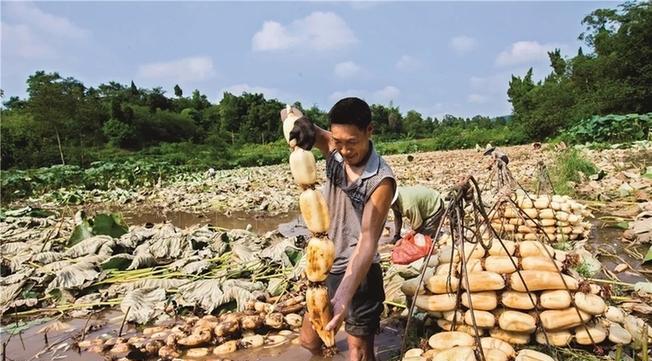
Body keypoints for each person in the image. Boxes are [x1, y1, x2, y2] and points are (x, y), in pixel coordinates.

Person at [283, 97, 396, 361]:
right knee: (309, 341)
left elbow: (368, 241)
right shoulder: (333, 146)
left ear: (370, 131)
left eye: (351, 142)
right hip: (324, 265)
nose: (343, 150)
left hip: (360, 273)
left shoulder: (381, 181)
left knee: (359, 352)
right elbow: (287, 113)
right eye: (339, 141)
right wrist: (299, 122)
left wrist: (344, 296)